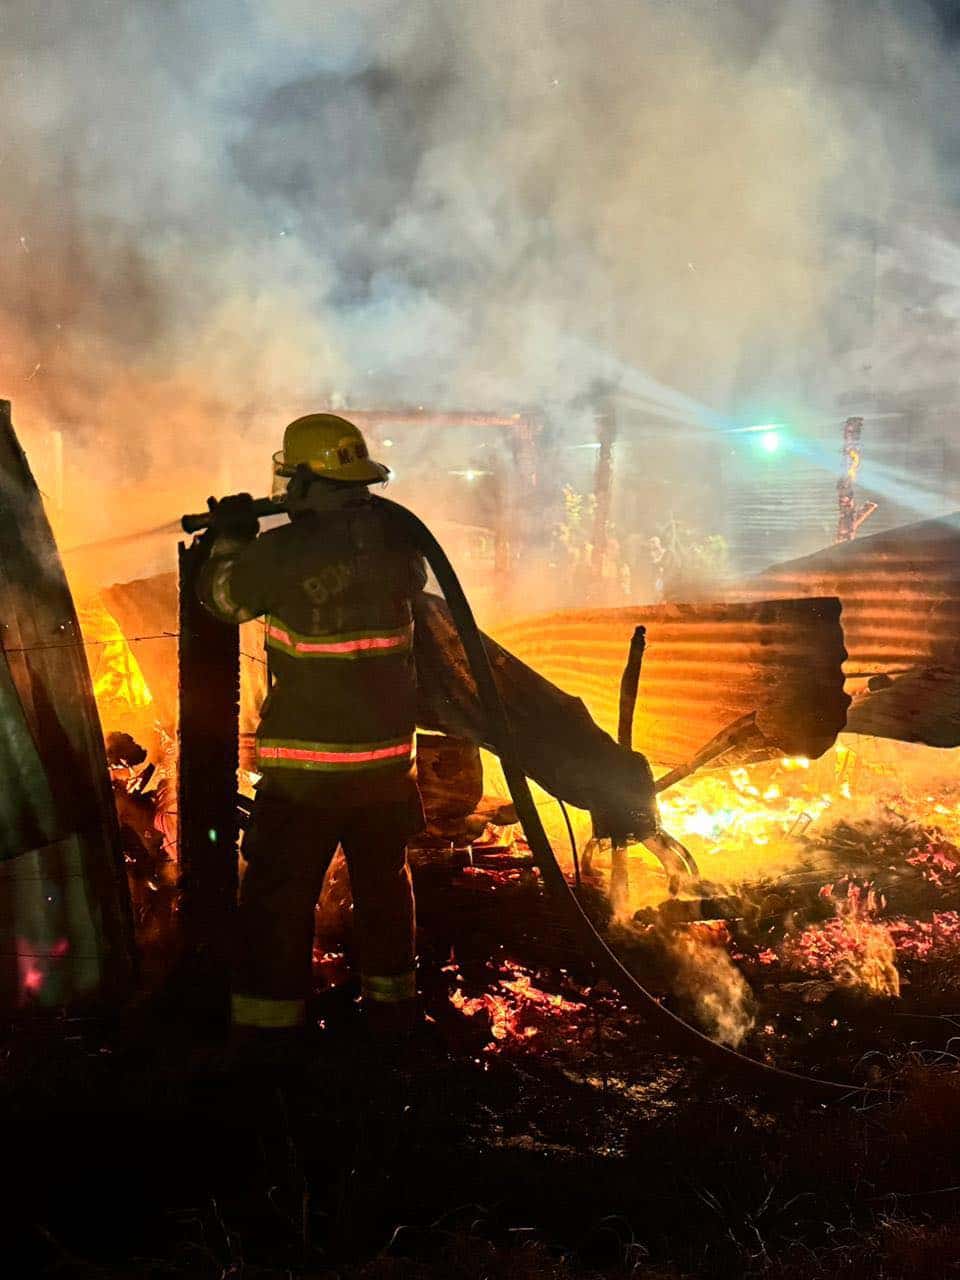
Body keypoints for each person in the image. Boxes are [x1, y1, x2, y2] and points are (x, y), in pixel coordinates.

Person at [197, 413, 426, 1046]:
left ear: (301, 480)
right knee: (385, 890)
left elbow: (223, 599)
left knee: (276, 900)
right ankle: (392, 1019)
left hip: (307, 773)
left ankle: (269, 1038)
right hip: (385, 767)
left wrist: (231, 539)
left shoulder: (284, 551)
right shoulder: (400, 540)